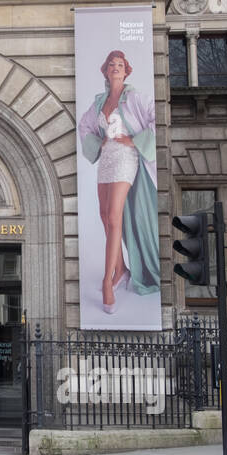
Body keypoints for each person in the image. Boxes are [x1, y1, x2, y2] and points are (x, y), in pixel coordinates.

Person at [76, 50, 160, 315]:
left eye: (120, 65)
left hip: (126, 158)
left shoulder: (135, 97)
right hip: (107, 159)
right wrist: (97, 143)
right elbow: (84, 126)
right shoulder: (100, 100)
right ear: (105, 70)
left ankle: (107, 281)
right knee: (104, 215)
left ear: (126, 71)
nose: (115, 68)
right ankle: (121, 269)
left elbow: (158, 117)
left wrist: (134, 140)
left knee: (114, 217)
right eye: (111, 64)